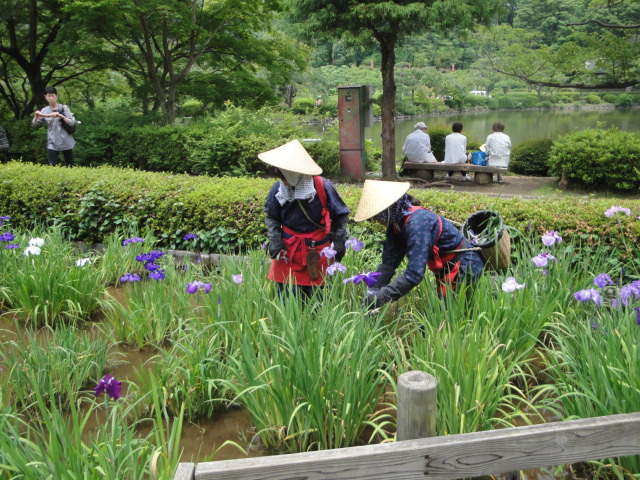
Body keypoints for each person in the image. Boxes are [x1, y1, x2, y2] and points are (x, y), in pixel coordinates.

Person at [354, 180, 484, 309]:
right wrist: (373, 292)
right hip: (446, 270)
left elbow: (414, 274)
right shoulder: (396, 225)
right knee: (439, 319)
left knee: (440, 320)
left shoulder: (417, 223)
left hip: (465, 266)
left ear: (387, 210)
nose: (374, 221)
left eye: (375, 216)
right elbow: (388, 264)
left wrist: (383, 296)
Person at [259, 139, 350, 298]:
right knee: (287, 298)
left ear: (294, 174)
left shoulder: (323, 187)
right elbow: (272, 216)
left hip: (317, 250)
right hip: (289, 251)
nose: (283, 182)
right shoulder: (279, 189)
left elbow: (341, 216)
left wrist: (339, 243)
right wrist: (275, 239)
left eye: (285, 177)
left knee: (317, 301)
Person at [32, 86, 76, 166]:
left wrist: (61, 116)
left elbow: (71, 122)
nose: (51, 98)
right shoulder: (45, 110)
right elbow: (35, 125)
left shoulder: (64, 108)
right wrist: (36, 116)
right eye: (49, 96)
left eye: (53, 95)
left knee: (70, 164)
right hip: (52, 141)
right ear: (45, 97)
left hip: (65, 140)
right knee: (52, 164)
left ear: (56, 96)